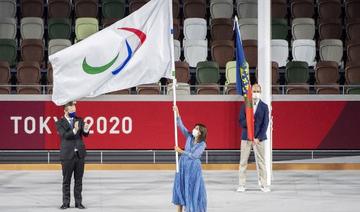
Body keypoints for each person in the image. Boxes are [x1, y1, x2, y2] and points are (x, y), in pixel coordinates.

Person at [172, 105, 207, 212]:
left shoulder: (202, 144)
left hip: (193, 169)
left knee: (191, 188)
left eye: (196, 129)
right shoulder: (189, 137)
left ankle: (192, 209)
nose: (194, 129)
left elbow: (194, 155)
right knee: (180, 187)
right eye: (194, 127)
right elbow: (181, 126)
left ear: (200, 132)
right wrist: (177, 112)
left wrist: (181, 151)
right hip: (183, 165)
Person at [56, 101, 90, 209]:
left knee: (78, 180)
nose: (74, 113)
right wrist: (75, 129)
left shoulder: (79, 120)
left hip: (79, 154)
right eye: (72, 111)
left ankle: (78, 202)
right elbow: (65, 136)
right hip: (67, 155)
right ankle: (66, 202)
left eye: (75, 111)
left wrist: (86, 129)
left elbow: (85, 134)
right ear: (65, 110)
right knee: (66, 180)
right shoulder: (60, 123)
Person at [237, 84, 270, 192]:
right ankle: (241, 185)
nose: (256, 93)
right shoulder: (246, 105)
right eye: (254, 91)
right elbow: (241, 121)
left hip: (259, 139)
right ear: (251, 92)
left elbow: (265, 124)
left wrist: (258, 137)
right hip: (246, 138)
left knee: (261, 162)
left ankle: (264, 184)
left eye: (257, 91)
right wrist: (249, 123)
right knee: (243, 162)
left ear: (260, 92)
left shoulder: (264, 107)